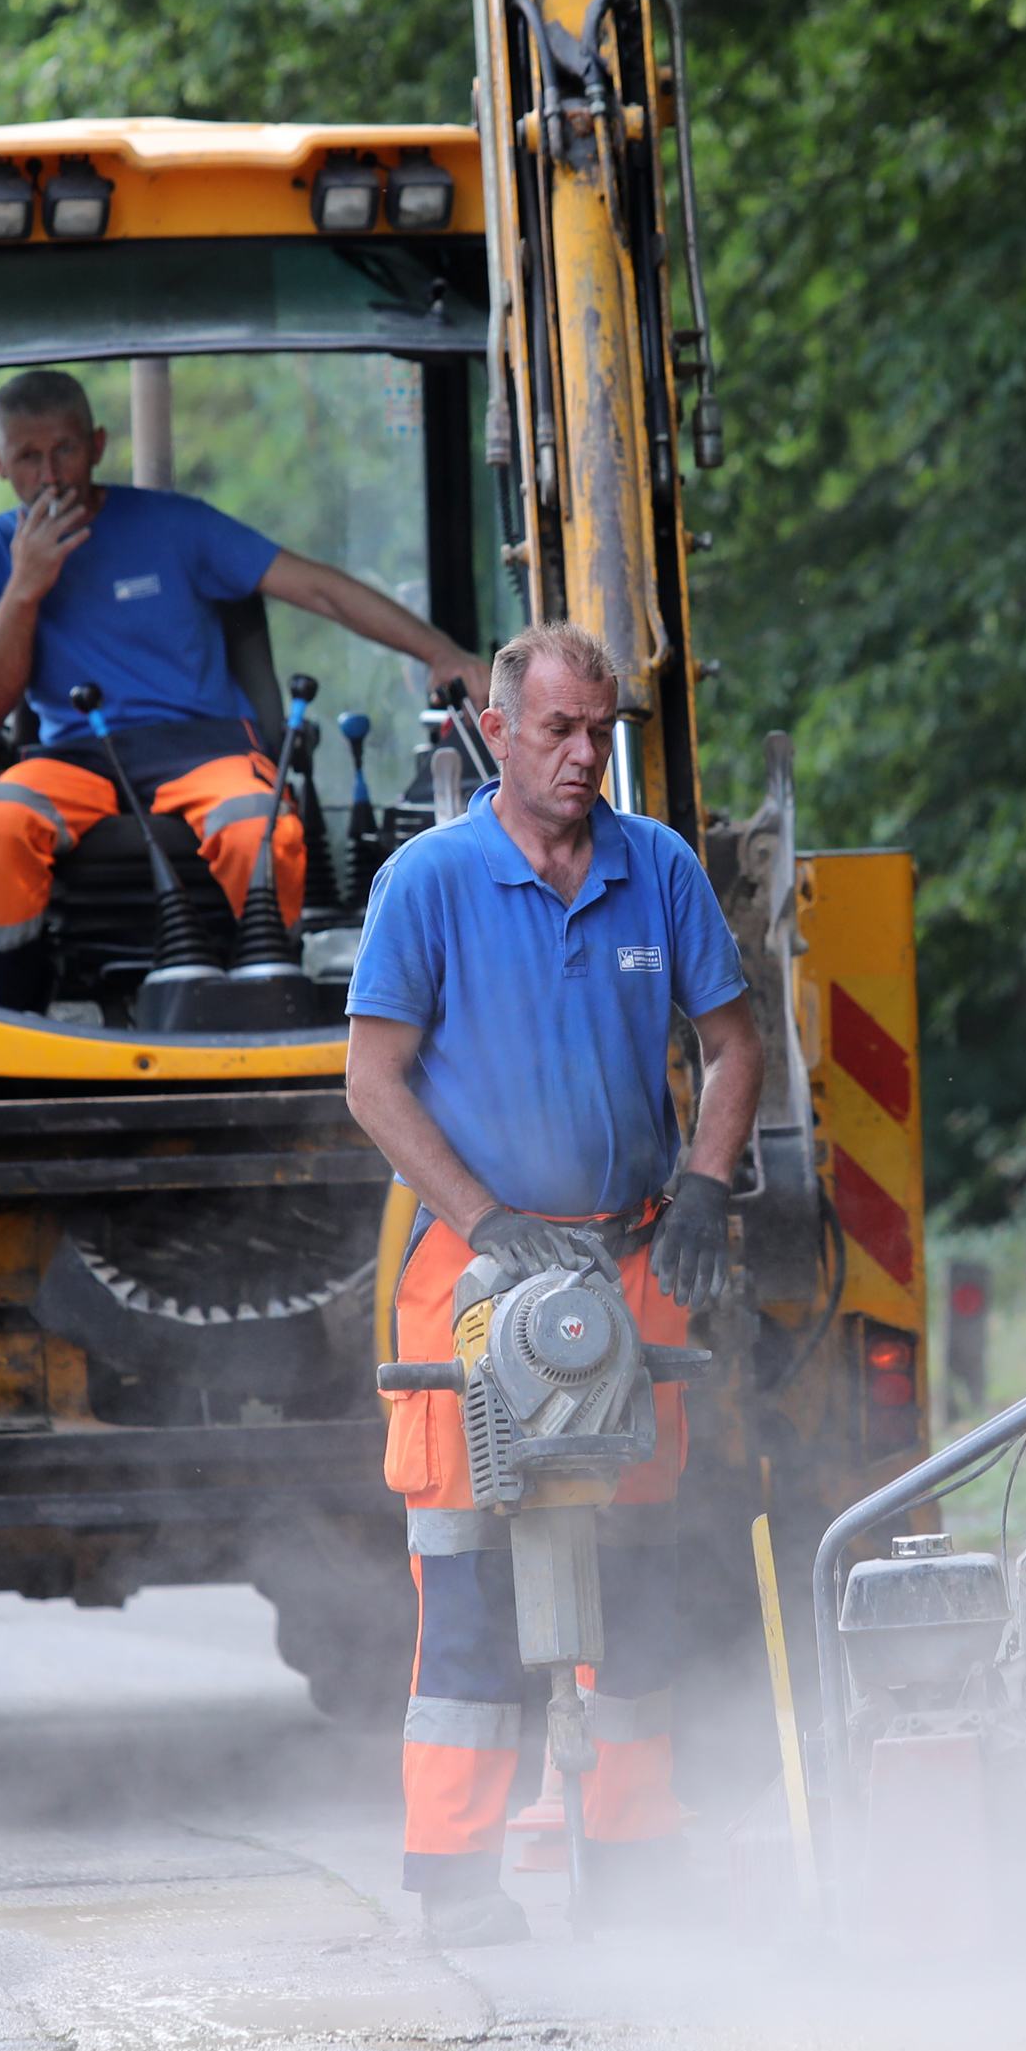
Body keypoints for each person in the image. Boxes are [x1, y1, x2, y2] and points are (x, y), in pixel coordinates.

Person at [341, 619, 762, 1946]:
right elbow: (373, 1077)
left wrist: (703, 1184)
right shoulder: (433, 879)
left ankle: (632, 1850)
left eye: (603, 733)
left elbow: (734, 1043)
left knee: (635, 1562)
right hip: (471, 1279)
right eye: (560, 731)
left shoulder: (662, 871)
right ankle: (457, 1872)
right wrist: (483, 1218)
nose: (586, 756)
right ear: (501, 731)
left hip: (630, 1263)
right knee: (469, 1570)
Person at [0, 369, 487, 1011]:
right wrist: (25, 584)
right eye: (28, 458)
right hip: (77, 756)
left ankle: (270, 989)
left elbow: (318, 587)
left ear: (96, 445)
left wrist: (440, 651)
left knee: (258, 828)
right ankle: (20, 1011)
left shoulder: (176, 526)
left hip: (205, 747)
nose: (51, 475)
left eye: (64, 449)